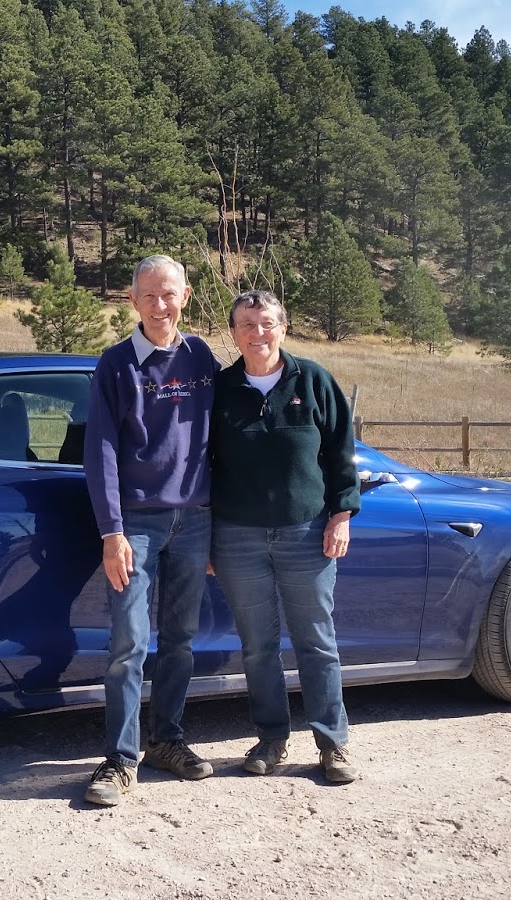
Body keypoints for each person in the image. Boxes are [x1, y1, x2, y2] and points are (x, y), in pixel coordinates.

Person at [81, 254, 220, 806]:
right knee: (129, 644)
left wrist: (220, 520)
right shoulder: (115, 365)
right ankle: (120, 758)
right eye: (149, 295)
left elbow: (220, 440)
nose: (160, 305)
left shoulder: (202, 357)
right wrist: (112, 531)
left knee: (180, 640)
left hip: (196, 522)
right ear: (131, 300)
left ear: (185, 295)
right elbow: (102, 451)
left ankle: (168, 740)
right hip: (135, 524)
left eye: (169, 294)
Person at [210, 289, 361, 784]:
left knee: (316, 641)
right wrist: (209, 537)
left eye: (267, 323)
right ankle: (271, 739)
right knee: (257, 646)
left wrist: (341, 515)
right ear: (233, 332)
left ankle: (332, 744)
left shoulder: (313, 381)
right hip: (236, 538)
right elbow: (202, 467)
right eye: (247, 325)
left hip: (307, 534)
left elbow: (342, 454)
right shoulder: (220, 389)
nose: (258, 334)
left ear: (283, 326)